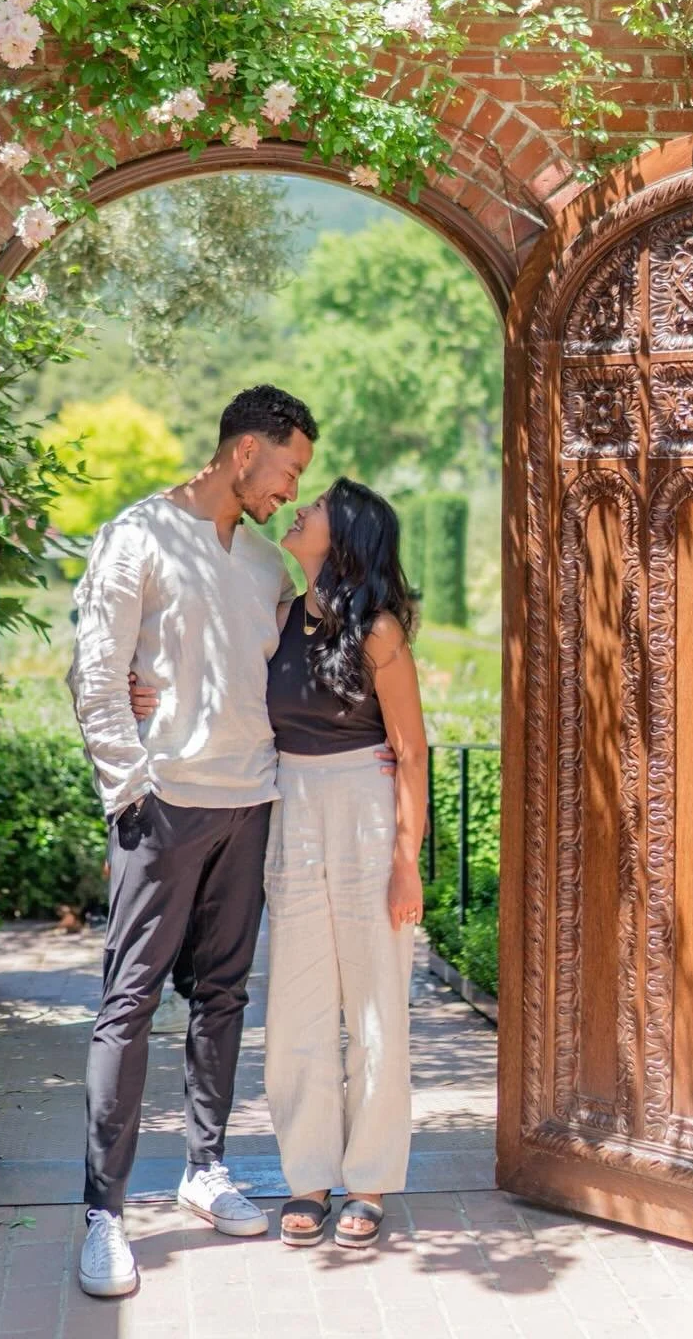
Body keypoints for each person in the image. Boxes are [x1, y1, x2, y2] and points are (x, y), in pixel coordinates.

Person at [65, 385, 317, 1299]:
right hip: (163, 805)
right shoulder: (137, 534)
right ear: (246, 451)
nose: (291, 491)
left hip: (250, 804)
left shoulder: (265, 567)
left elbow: (288, 677)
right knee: (127, 1004)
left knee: (221, 997)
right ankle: (103, 1214)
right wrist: (130, 790)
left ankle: (204, 1168)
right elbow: (95, 668)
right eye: (289, 469)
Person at [263, 479, 428, 1251]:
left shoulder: (379, 633)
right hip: (291, 804)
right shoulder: (278, 618)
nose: (300, 508)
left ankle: (368, 1181)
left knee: (373, 1002)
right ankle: (307, 1177)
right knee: (296, 1000)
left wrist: (407, 860)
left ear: (347, 535)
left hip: (366, 800)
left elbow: (412, 749)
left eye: (317, 503)